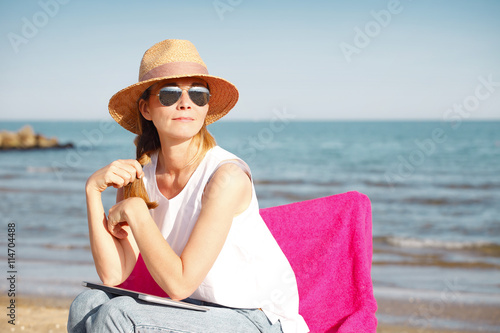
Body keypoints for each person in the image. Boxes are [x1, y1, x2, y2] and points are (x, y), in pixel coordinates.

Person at [67, 39, 309, 333]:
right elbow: (113, 273)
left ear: (206, 106)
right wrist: (93, 191)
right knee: (87, 303)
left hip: (258, 318)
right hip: (197, 311)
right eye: (169, 94)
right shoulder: (141, 174)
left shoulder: (226, 177)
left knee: (119, 314)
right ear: (146, 108)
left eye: (198, 93)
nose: (185, 102)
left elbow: (180, 284)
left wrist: (136, 212)